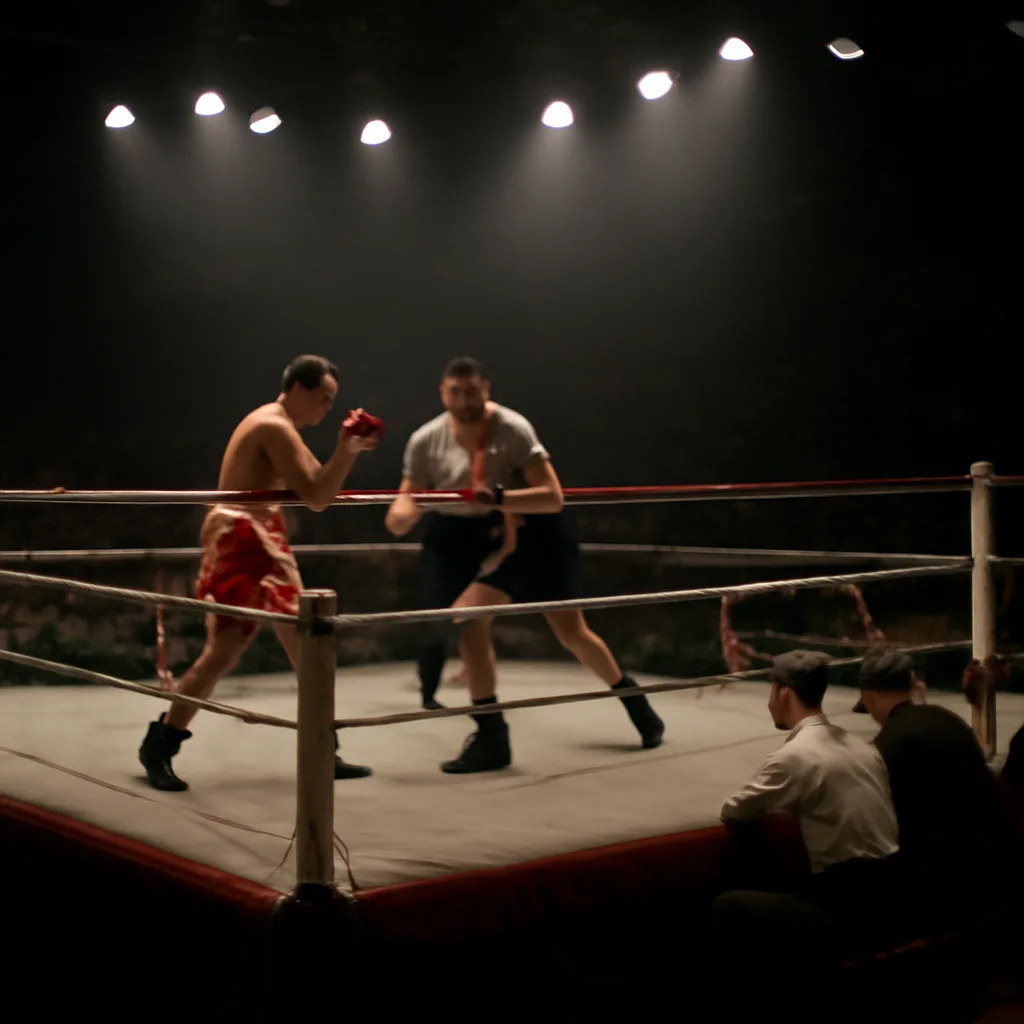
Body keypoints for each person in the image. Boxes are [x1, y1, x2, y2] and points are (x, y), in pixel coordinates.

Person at [385, 356, 665, 774]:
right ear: (442, 392)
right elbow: (405, 500)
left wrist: (498, 498)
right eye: (455, 391)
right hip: (502, 545)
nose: (464, 399)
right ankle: (491, 736)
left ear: (487, 388)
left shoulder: (512, 428)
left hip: (540, 539)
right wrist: (404, 514)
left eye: (472, 390)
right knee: (468, 620)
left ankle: (637, 706)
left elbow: (552, 495)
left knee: (573, 633)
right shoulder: (427, 439)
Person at [138, 355, 383, 792]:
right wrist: (347, 450)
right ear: (300, 389)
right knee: (229, 649)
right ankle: (159, 746)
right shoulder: (272, 425)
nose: (327, 409)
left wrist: (349, 450)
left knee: (305, 643)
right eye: (324, 399)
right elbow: (317, 497)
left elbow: (320, 489)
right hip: (240, 534)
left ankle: (324, 752)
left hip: (259, 533)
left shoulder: (280, 426)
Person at [710, 651, 901, 1013]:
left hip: (848, 905)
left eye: (771, 690)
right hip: (892, 891)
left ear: (783, 692)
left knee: (729, 908)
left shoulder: (796, 756)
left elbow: (735, 809)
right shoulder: (863, 746)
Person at [859, 648, 1020, 926]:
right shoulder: (947, 719)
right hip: (1002, 863)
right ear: (911, 684)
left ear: (866, 695)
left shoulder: (888, 745)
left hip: (945, 885)